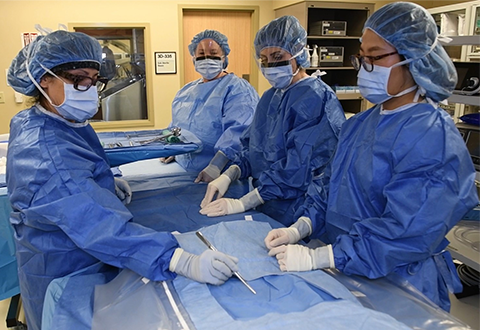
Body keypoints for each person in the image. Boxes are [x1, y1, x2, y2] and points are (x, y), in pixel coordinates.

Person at [6, 30, 238, 330]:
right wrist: (179, 260)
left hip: (71, 246)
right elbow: (97, 224)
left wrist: (106, 179)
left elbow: (86, 162)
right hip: (65, 263)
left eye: (93, 79)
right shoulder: (45, 151)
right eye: (78, 79)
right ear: (43, 79)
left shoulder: (55, 119)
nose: (88, 88)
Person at [264, 2, 479, 312]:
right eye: (361, 57)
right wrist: (301, 226)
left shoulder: (433, 136)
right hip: (348, 268)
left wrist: (324, 257)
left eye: (375, 57)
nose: (364, 67)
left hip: (401, 280)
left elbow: (409, 230)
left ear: (413, 57)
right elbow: (330, 186)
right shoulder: (362, 123)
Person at [199, 16, 346, 226]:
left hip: (300, 210)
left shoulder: (315, 98)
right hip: (266, 203)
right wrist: (230, 173)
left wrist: (243, 203)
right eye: (264, 59)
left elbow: (298, 169)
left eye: (277, 55)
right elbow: (253, 148)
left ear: (298, 52)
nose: (270, 64)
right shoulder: (271, 97)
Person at [161, 29, 259, 182]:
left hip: (220, 174)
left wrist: (216, 166)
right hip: (182, 168)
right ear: (193, 59)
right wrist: (174, 148)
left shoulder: (238, 90)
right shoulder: (186, 91)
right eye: (201, 55)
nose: (207, 59)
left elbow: (239, 132)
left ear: (224, 57)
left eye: (213, 53)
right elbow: (177, 127)